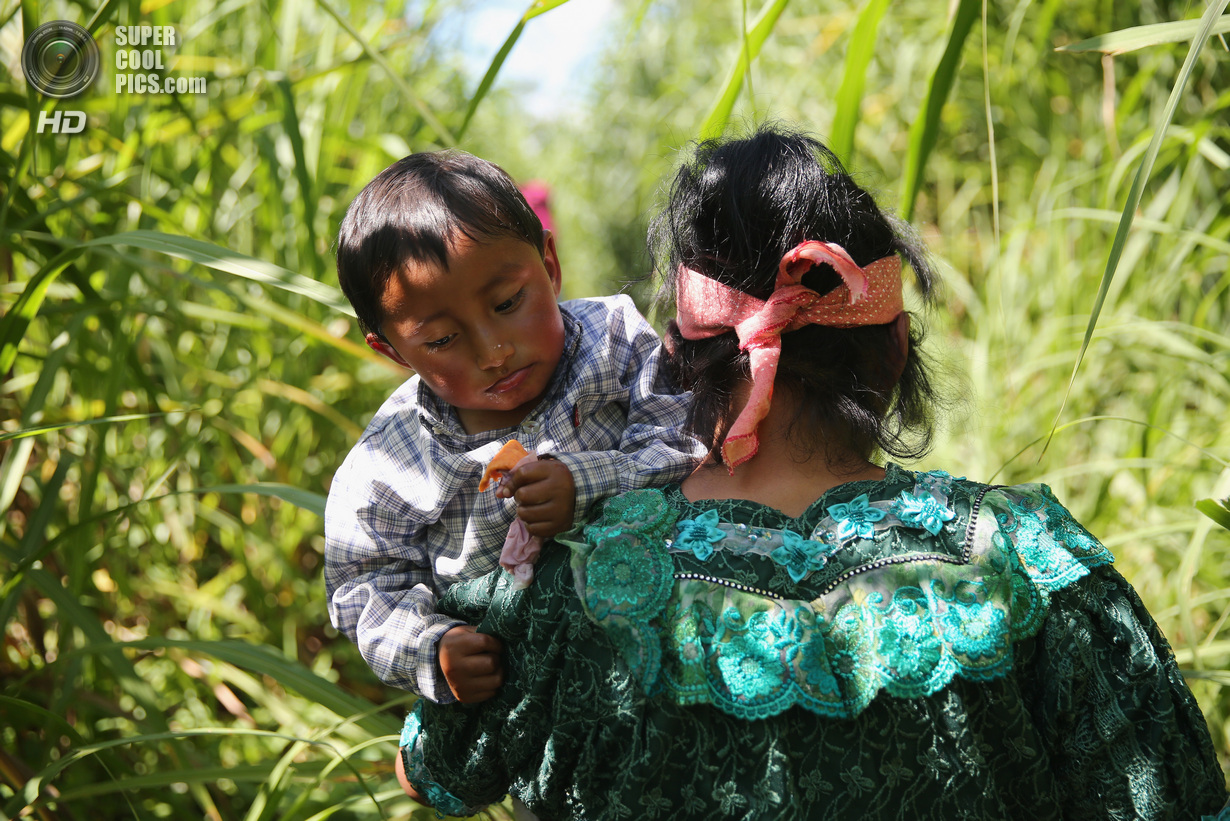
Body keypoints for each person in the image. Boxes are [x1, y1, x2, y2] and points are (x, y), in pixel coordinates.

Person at [394, 127, 1227, 820]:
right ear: (895, 348)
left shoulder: (565, 570)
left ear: (683, 357)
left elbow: (436, 768)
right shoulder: (1028, 558)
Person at [324, 149, 704, 714]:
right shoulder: (389, 461)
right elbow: (363, 587)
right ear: (391, 350)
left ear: (549, 265)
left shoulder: (614, 341)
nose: (493, 351)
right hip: (526, 696)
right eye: (441, 341)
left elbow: (682, 437)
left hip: (661, 646)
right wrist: (433, 649)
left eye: (507, 303)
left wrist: (588, 482)